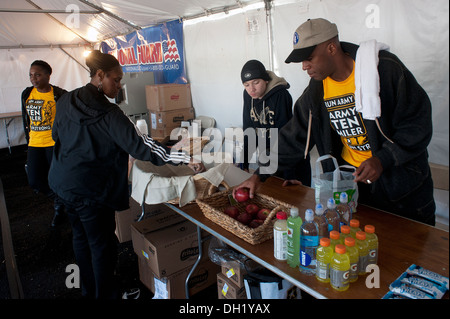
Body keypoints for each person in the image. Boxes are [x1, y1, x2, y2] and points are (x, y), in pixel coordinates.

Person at [234, 18, 435, 226]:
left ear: (331, 48)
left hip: (402, 189)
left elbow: (417, 124)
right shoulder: (316, 90)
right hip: (354, 187)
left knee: (412, 252)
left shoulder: (383, 70)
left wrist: (383, 159)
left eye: (309, 58)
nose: (304, 66)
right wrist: (260, 175)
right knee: (362, 250)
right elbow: (293, 137)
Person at [48, 50, 204, 299]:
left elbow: (56, 136)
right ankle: (107, 295)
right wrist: (185, 157)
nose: (119, 86)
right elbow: (142, 148)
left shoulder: (67, 99)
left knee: (80, 238)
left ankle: (89, 291)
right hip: (91, 191)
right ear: (100, 75)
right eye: (116, 79)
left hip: (63, 184)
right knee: (102, 245)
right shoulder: (108, 114)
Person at [240, 59, 311, 186]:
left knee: (294, 201)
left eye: (256, 82)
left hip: (290, 161)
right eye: (246, 85)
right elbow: (248, 129)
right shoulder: (248, 95)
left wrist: (290, 175)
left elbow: (285, 135)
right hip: (268, 158)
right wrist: (244, 164)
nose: (252, 89)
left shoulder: (281, 95)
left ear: (266, 80)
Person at [21, 60, 67, 227]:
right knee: (34, 180)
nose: (33, 78)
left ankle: (60, 209)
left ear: (48, 75)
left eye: (38, 75)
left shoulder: (59, 95)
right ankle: (59, 201)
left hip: (54, 143)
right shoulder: (27, 94)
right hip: (34, 143)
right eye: (31, 75)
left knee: (56, 178)